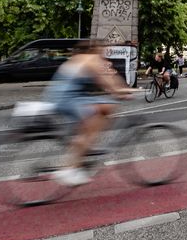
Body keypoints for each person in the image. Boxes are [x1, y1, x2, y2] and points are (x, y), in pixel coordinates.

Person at [44, 40, 132, 187]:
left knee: (103, 107)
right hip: (68, 100)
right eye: (104, 50)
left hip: (60, 97)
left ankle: (84, 147)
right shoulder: (91, 59)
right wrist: (122, 92)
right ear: (96, 49)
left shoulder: (78, 59)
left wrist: (119, 88)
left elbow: (109, 77)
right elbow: (108, 83)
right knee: (105, 110)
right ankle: (69, 169)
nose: (105, 53)